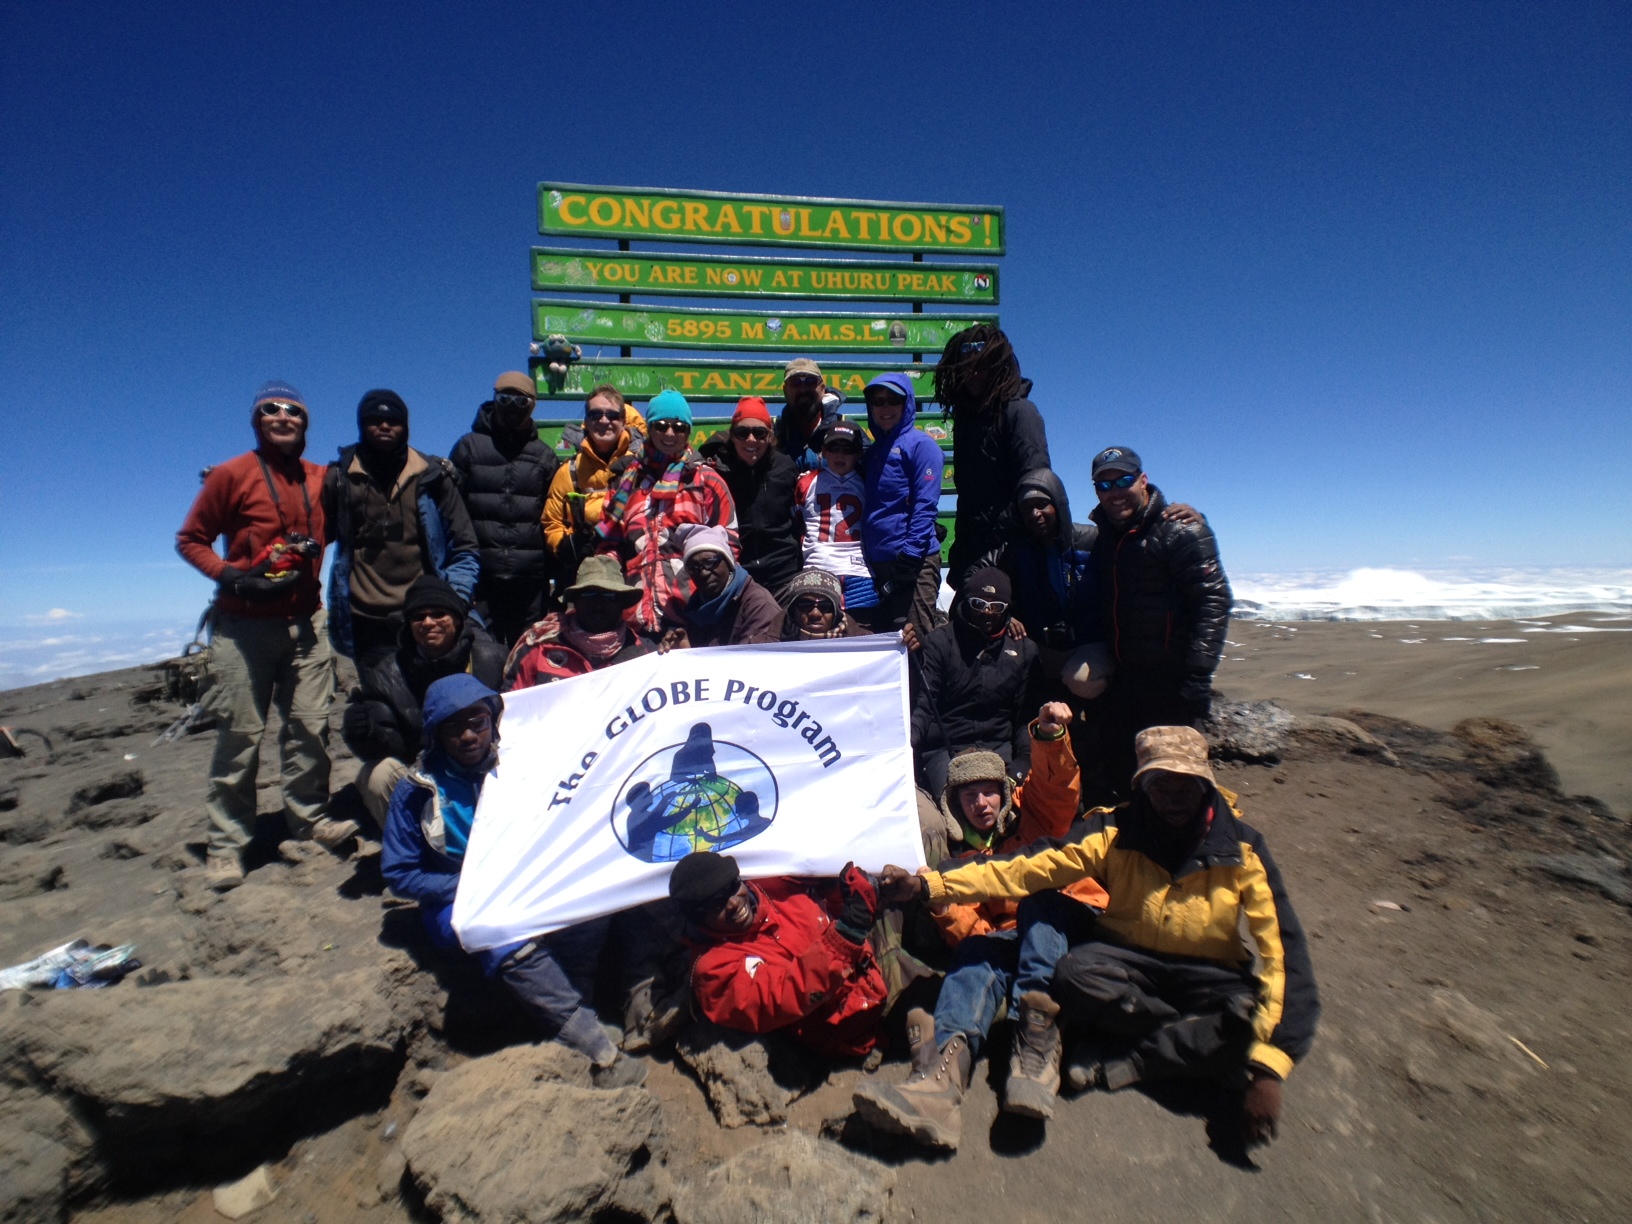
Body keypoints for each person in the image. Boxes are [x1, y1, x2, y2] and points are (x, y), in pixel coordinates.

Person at [878, 725, 1320, 1149]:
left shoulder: (1240, 848)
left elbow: (1285, 955)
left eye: (1185, 785)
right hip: (1122, 965)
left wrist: (1270, 1070)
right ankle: (947, 1076)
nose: (1173, 799)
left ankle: (1129, 1055)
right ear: (1142, 787)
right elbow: (1013, 874)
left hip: (1200, 972)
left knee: (1249, 1014)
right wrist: (933, 889)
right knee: (1050, 968)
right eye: (1160, 786)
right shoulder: (1112, 830)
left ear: (1206, 784)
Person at [853, 705, 1108, 1147]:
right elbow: (974, 931)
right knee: (973, 956)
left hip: (1069, 923)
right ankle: (943, 1081)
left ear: (1005, 792)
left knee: (1040, 904)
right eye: (968, 796)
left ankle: (1035, 1052)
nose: (981, 803)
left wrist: (1048, 739)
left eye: (989, 792)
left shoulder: (1035, 819)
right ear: (953, 804)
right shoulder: (956, 860)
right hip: (1014, 942)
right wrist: (941, 905)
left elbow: (1057, 788)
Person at [381, 673, 647, 1085]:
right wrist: (468, 887)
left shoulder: (523, 765)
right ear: (436, 734)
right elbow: (399, 872)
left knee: (588, 903)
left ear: (493, 723)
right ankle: (598, 1050)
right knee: (500, 931)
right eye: (455, 728)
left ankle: (577, 1010)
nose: (469, 736)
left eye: (478, 723)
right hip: (459, 895)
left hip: (524, 879)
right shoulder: (417, 790)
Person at [175, 380, 346, 889]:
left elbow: (344, 509)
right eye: (271, 409)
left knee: (311, 728)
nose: (283, 416)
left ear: (305, 424)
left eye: (294, 411)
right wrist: (232, 575)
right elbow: (191, 539)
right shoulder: (231, 474)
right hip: (243, 626)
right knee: (239, 737)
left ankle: (309, 822)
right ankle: (228, 845)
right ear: (256, 420)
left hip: (307, 623)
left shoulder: (320, 478)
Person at [1088, 447, 1231, 794]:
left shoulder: (1181, 529)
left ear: (1143, 480)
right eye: (1104, 486)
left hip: (1172, 677)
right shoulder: (1105, 535)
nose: (1115, 492)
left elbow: (1213, 600)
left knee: (1176, 776)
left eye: (1123, 480)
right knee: (1125, 770)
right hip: (1126, 675)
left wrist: (1197, 676)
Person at [669, 852, 889, 1058]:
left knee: (909, 885)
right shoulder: (713, 971)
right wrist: (850, 930)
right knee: (916, 994)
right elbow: (785, 995)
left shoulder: (771, 883)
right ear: (697, 919)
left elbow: (831, 903)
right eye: (717, 904)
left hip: (870, 961)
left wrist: (840, 890)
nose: (734, 903)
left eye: (732, 887)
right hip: (849, 1022)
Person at [324, 389, 479, 664]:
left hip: (423, 617)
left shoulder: (433, 477)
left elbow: (465, 546)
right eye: (374, 419)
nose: (384, 426)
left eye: (394, 421)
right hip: (364, 621)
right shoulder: (339, 478)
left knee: (431, 701)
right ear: (361, 425)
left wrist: (454, 601)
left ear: (405, 427)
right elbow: (311, 535)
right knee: (380, 704)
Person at [340, 575, 505, 826]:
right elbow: (390, 745)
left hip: (487, 764)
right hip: (425, 772)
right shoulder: (385, 674)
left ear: (458, 620)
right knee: (375, 775)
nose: (428, 623)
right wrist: (364, 733)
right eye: (418, 617)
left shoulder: (493, 659)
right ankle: (411, 845)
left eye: (439, 614)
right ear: (408, 625)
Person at [594, 389, 738, 635]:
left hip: (693, 618)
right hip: (633, 619)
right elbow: (609, 545)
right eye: (661, 426)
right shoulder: (626, 482)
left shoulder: (706, 480)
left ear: (688, 432)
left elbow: (730, 545)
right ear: (649, 429)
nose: (670, 433)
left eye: (679, 427)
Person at [933, 325, 1051, 590]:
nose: (973, 373)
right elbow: (971, 499)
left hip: (1012, 558)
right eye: (965, 366)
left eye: (983, 365)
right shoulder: (967, 420)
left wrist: (1011, 555)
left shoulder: (1020, 412)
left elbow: (1036, 489)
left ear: (1000, 366)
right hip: (973, 553)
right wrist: (962, 554)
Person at [909, 567, 1041, 799]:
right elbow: (924, 707)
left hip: (999, 746)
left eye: (997, 606)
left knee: (1016, 802)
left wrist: (1023, 760)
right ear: (966, 600)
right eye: (978, 603)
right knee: (964, 801)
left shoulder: (1024, 649)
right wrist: (907, 745)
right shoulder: (940, 643)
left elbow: (1025, 717)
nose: (987, 612)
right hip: (945, 748)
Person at [449, 372, 559, 648]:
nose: (512, 406)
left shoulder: (544, 455)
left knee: (529, 656)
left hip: (530, 579)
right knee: (485, 654)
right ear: (494, 399)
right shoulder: (468, 447)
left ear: (532, 405)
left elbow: (553, 515)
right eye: (504, 398)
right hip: (481, 577)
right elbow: (451, 510)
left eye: (520, 401)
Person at [859, 373, 943, 641]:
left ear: (907, 404)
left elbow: (925, 504)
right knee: (884, 643)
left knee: (917, 640)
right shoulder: (871, 453)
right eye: (877, 401)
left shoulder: (922, 445)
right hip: (876, 565)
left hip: (913, 562)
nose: (885, 408)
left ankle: (928, 685)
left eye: (893, 400)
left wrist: (910, 555)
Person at [503, 555, 655, 690]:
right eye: (589, 594)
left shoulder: (645, 654)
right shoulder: (540, 648)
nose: (598, 604)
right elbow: (510, 706)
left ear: (622, 603)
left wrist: (675, 650)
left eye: (609, 596)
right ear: (575, 601)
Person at [541, 385, 647, 576]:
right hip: (585, 573)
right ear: (586, 421)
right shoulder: (569, 471)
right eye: (595, 414)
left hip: (636, 569)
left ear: (623, 422)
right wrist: (567, 545)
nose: (604, 420)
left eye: (612, 415)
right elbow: (552, 522)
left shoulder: (643, 465)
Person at [704, 397, 801, 596]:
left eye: (759, 433)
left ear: (770, 436)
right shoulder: (717, 470)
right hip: (739, 575)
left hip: (784, 574)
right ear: (731, 436)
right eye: (742, 432)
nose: (751, 440)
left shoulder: (786, 467)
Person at [792, 420, 879, 624]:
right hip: (817, 567)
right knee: (816, 634)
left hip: (859, 571)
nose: (840, 455)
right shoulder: (805, 482)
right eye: (834, 447)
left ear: (858, 454)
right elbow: (796, 523)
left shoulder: (867, 483)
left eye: (848, 449)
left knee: (862, 632)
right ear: (823, 451)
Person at [657, 526, 781, 652]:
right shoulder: (698, 608)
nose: (703, 573)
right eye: (694, 568)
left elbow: (751, 664)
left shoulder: (759, 606)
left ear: (728, 562)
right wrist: (684, 652)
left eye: (710, 562)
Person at [774, 357, 845, 472]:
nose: (803, 389)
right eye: (795, 383)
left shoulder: (846, 429)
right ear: (785, 391)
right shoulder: (773, 434)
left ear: (822, 389)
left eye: (810, 382)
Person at [778, 568, 870, 641]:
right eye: (805, 605)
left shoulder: (869, 648)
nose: (815, 613)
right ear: (792, 610)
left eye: (825, 606)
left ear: (836, 612)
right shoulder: (766, 648)